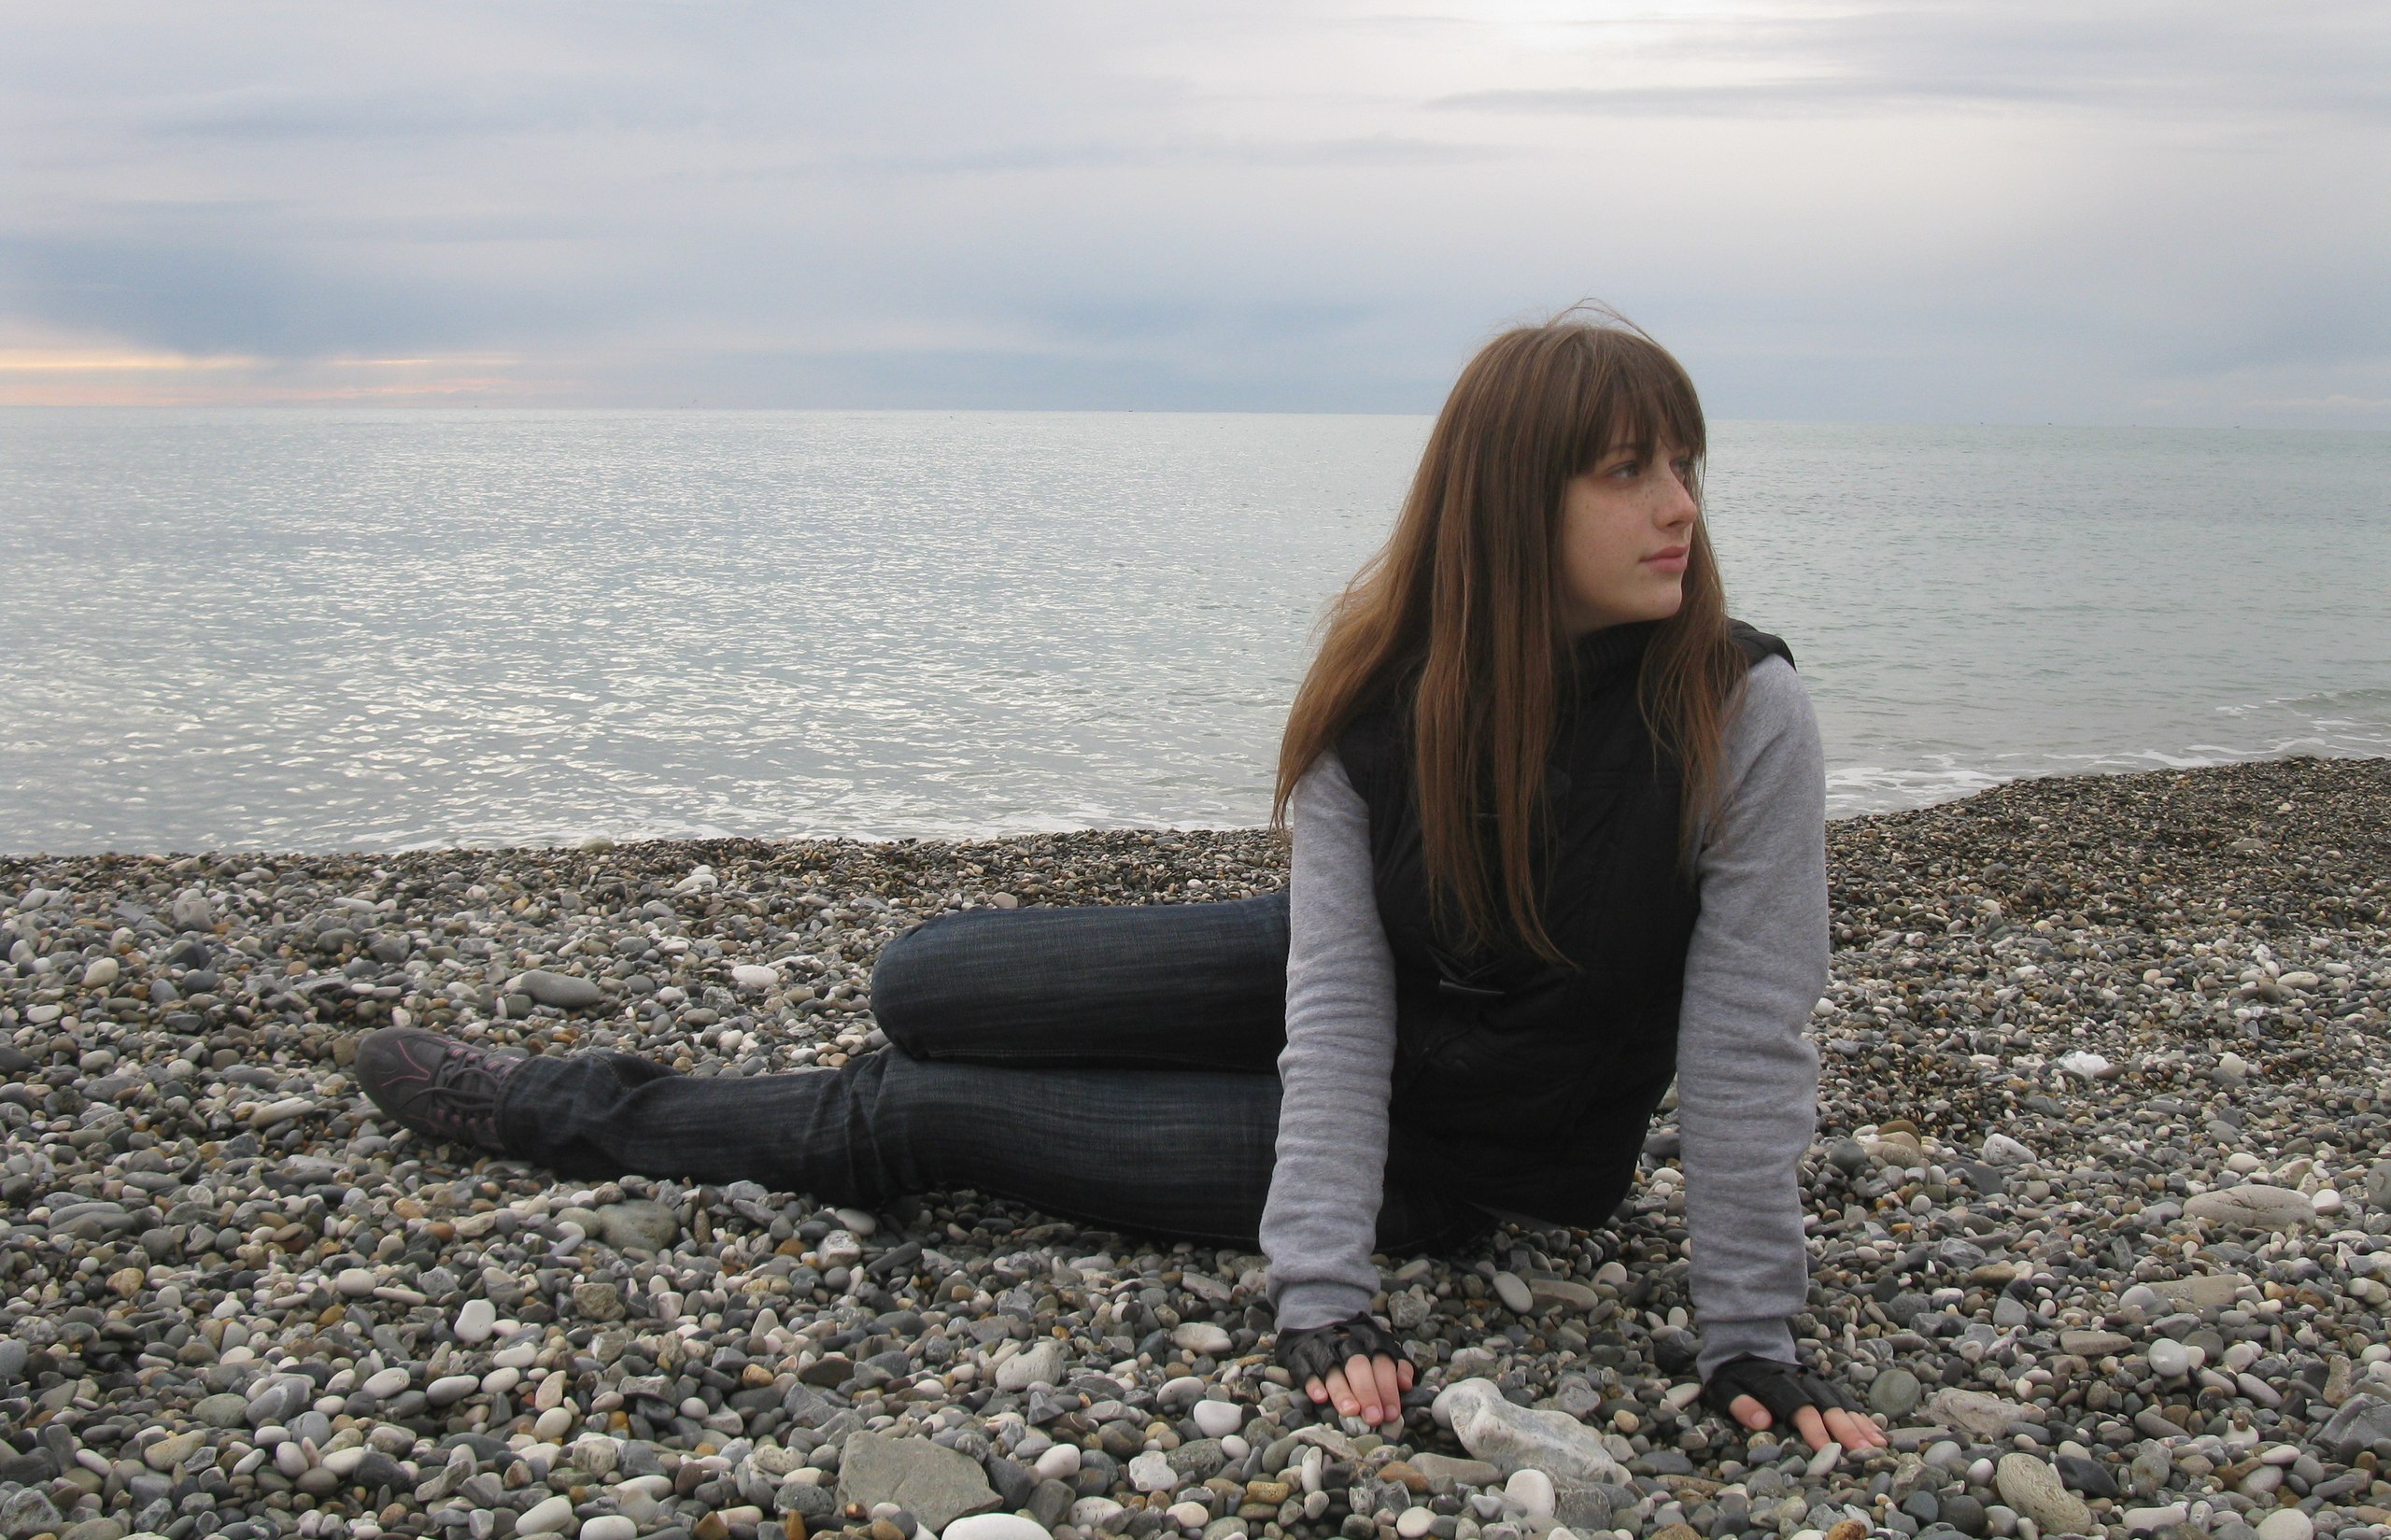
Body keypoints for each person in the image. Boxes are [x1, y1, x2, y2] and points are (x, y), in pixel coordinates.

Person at [355, 312, 1884, 1456]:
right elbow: (1338, 1007)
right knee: (918, 981)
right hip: (1365, 995)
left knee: (917, 1112)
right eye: (1629, 471)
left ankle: (559, 1107)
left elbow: (1747, 1044)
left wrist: (1738, 1337)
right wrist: (1321, 1272)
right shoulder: (1387, 703)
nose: (1679, 506)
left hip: (1464, 1146)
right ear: (1508, 501)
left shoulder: (1738, 714)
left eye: (1683, 465)